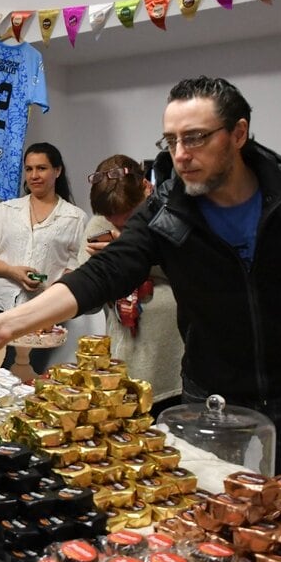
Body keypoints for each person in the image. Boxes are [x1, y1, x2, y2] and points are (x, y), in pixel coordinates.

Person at [0, 76, 281, 478]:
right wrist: (6, 325)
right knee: (214, 523)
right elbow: (101, 273)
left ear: (238, 133)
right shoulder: (167, 212)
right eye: (170, 141)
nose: (180, 154)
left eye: (195, 137)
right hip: (212, 399)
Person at [78, 155, 184, 417]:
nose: (120, 225)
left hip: (173, 363)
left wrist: (130, 255)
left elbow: (190, 279)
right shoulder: (98, 226)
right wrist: (105, 265)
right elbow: (89, 303)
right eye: (112, 220)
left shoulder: (170, 217)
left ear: (146, 190)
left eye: (129, 220)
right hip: (123, 360)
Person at [0, 142, 87, 374]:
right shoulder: (6, 210)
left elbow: (77, 268)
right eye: (29, 169)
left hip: (41, 314)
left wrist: (57, 290)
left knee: (26, 380)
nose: (34, 175)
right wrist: (12, 271)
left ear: (58, 171)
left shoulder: (75, 218)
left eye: (42, 168)